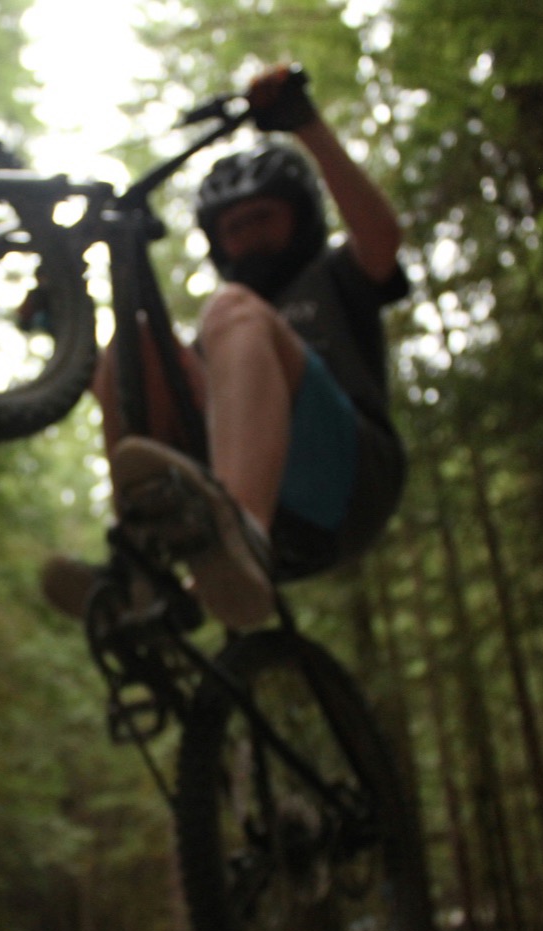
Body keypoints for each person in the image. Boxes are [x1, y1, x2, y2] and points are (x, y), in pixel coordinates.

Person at [43, 64, 409, 630]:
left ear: (301, 216)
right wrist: (58, 314)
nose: (248, 235)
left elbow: (381, 236)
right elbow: (124, 388)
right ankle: (146, 573)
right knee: (130, 349)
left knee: (230, 310)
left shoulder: (334, 276)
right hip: (270, 502)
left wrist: (306, 126)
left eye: (263, 216)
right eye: (233, 227)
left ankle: (240, 532)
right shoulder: (228, 332)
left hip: (350, 487)